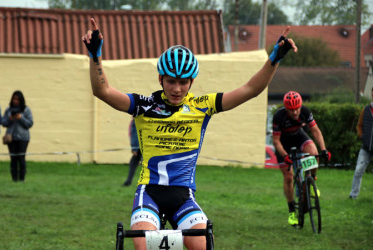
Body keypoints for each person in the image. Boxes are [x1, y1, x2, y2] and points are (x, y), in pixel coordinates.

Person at [82, 18, 297, 250]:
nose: (177, 88)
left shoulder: (202, 106)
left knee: (203, 244)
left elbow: (250, 89)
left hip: (183, 196)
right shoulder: (143, 105)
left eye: (183, 82)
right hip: (149, 194)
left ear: (191, 81)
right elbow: (102, 91)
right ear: (160, 79)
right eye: (171, 81)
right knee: (144, 245)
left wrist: (274, 59)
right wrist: (95, 55)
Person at [272, 91, 331, 226]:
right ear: (286, 108)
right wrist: (285, 156)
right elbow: (276, 141)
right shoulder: (279, 116)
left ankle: (311, 182)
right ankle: (292, 211)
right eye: (292, 110)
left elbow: (315, 131)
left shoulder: (304, 111)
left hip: (299, 136)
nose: (295, 112)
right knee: (288, 177)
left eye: (297, 108)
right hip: (283, 143)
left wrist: (324, 149)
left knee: (313, 152)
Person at [1, 91, 33, 182]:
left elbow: (30, 123)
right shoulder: (8, 109)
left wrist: (21, 118)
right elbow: (3, 123)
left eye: (17, 99)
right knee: (13, 158)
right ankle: (14, 178)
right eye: (14, 99)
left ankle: (22, 178)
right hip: (11, 137)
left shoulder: (26, 110)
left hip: (23, 138)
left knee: (21, 158)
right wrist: (9, 119)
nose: (15, 101)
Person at [349, 87, 373, 199]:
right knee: (358, 170)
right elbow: (359, 125)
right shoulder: (366, 109)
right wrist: (361, 136)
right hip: (366, 147)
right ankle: (353, 195)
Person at [123, 118, 142, 186]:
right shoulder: (137, 121)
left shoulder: (136, 122)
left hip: (139, 148)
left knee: (146, 165)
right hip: (140, 147)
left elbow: (135, 135)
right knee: (133, 163)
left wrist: (135, 148)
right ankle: (128, 182)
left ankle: (128, 182)